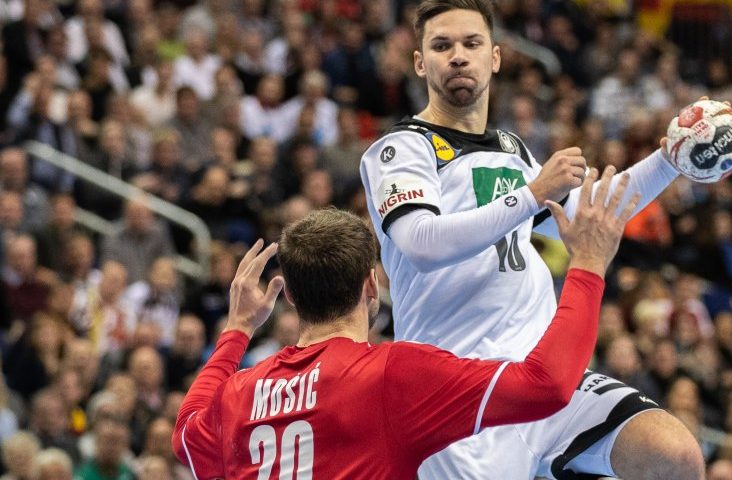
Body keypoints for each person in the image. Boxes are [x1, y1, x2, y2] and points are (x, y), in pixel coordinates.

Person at [358, 0, 704, 478]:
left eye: (471, 43)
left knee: (674, 455)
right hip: (459, 393)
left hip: (541, 375)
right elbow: (422, 243)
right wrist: (532, 193)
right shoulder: (399, 149)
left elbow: (587, 212)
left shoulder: (510, 149)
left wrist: (671, 161)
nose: (458, 56)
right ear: (420, 63)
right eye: (441, 46)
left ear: (495, 57)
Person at [172, 166, 640, 479]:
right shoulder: (391, 375)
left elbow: (185, 437)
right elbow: (546, 386)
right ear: (371, 285)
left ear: (290, 296)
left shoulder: (239, 393)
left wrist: (237, 330)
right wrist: (588, 265)